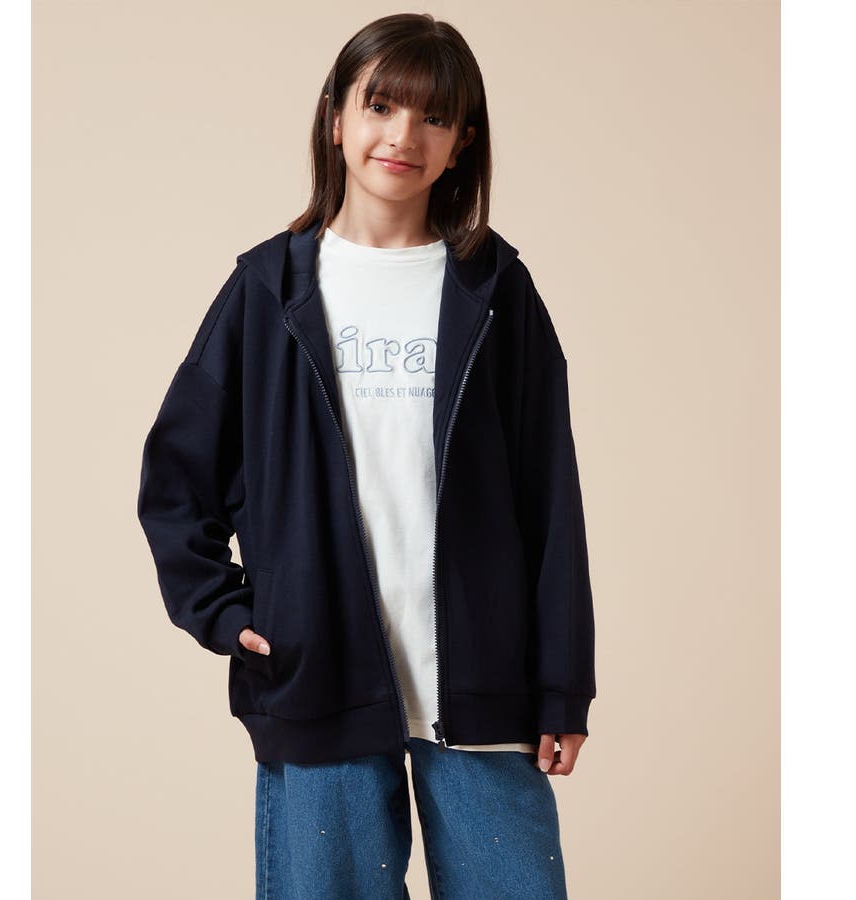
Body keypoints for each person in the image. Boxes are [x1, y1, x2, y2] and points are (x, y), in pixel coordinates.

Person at [137, 12, 596, 899]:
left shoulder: (496, 290)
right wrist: (226, 613)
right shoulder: (268, 289)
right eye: (381, 106)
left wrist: (562, 685)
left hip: (484, 680)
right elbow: (177, 479)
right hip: (319, 672)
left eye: (434, 116)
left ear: (463, 142)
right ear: (335, 118)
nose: (403, 135)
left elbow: (551, 499)